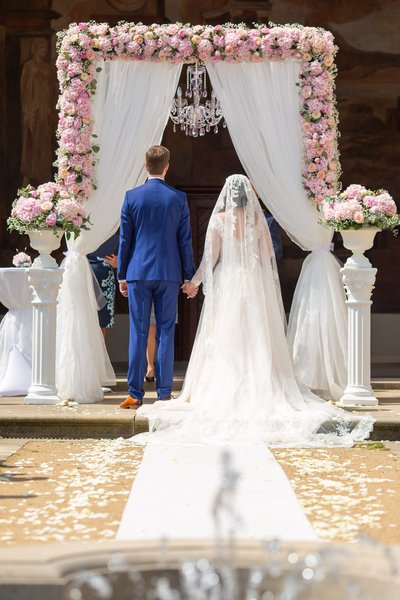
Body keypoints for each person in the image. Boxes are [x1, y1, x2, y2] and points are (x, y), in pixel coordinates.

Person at [136, 174, 373, 447]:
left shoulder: (220, 220)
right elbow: (268, 257)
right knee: (255, 335)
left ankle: (224, 386)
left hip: (228, 283)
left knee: (227, 335)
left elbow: (210, 259)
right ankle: (260, 384)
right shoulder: (258, 221)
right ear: (249, 196)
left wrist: (194, 283)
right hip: (253, 282)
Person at [117, 145, 196, 409]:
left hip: (138, 272)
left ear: (145, 165)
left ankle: (135, 394)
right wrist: (188, 275)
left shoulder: (131, 197)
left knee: (138, 333)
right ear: (167, 166)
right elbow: (184, 240)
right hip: (169, 274)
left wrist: (122, 276)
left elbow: (125, 240)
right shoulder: (178, 198)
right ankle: (163, 393)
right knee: (165, 332)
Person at [87, 233, 119, 338]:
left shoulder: (113, 233)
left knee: (102, 323)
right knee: (83, 320)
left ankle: (99, 354)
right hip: (83, 273)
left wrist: (118, 262)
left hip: (105, 276)